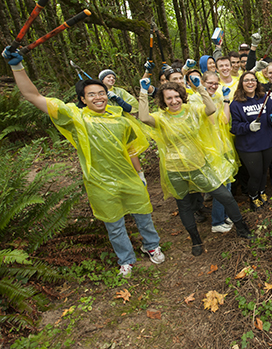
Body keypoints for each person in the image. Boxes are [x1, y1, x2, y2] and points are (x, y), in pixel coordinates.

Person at [3, 48, 165, 277]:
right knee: (114, 224)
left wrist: (140, 174)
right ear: (82, 99)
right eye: (92, 94)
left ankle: (151, 246)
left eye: (101, 93)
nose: (98, 97)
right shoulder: (76, 119)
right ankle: (126, 259)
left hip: (128, 177)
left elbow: (131, 148)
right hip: (99, 182)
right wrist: (17, 67)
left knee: (143, 215)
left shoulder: (120, 119)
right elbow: (33, 96)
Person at [139, 77, 252, 256]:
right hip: (175, 170)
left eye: (176, 96)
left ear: (182, 96)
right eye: (169, 98)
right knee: (184, 206)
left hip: (199, 165)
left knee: (225, 196)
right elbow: (143, 117)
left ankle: (242, 228)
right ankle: (196, 240)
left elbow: (211, 108)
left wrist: (199, 87)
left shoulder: (192, 110)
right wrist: (143, 93)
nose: (174, 101)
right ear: (163, 101)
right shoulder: (160, 118)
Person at [189, 72, 240, 234]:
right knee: (220, 185)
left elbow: (224, 120)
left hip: (221, 145)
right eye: (209, 83)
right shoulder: (194, 100)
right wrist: (202, 91)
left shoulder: (218, 97)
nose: (213, 86)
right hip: (207, 148)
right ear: (202, 83)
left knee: (228, 182)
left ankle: (224, 215)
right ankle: (217, 221)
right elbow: (206, 115)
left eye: (216, 83)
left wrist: (225, 101)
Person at [230, 71, 272, 210]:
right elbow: (234, 127)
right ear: (241, 84)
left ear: (257, 83)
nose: (250, 83)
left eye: (253, 80)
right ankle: (253, 196)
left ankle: (262, 192)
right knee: (255, 174)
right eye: (246, 80)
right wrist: (248, 127)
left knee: (264, 171)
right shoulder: (236, 104)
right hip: (249, 146)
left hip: (267, 142)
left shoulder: (265, 98)